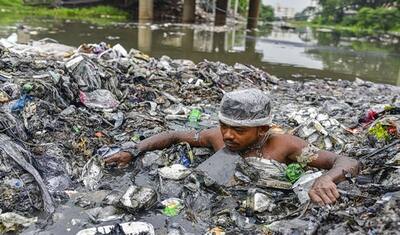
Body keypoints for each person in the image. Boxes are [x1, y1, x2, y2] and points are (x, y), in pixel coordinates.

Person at [105, 88, 359, 206]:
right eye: (224, 125)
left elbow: (347, 162)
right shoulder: (217, 137)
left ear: (262, 129)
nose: (228, 135)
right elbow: (173, 135)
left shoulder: (284, 146)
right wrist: (134, 150)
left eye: (238, 130)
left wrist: (327, 179)